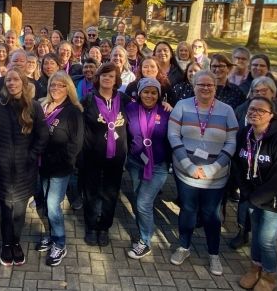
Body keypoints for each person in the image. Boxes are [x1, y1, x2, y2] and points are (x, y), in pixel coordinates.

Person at [167, 70, 238, 276]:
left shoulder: (227, 111)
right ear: (194, 86)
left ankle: (213, 254)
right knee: (188, 210)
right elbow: (173, 135)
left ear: (215, 88)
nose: (205, 88)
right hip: (185, 171)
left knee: (211, 214)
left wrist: (213, 168)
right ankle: (184, 247)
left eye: (210, 85)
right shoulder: (182, 106)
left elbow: (232, 141)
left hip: (215, 175)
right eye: (201, 85)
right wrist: (188, 165)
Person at [0, 68, 49, 266]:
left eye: (16, 80)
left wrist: (31, 155)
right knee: (6, 208)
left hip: (24, 168)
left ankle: (16, 242)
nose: (11, 83)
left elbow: (43, 135)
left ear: (23, 83)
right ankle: (5, 244)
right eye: (8, 80)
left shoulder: (34, 106)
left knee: (19, 210)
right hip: (2, 168)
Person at [232, 97, 277, 291]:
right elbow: (238, 164)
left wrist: (256, 198)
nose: (255, 113)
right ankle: (255, 268)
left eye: (261, 110)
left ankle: (269, 275)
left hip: (276, 199)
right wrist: (246, 191)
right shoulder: (245, 133)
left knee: (267, 240)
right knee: (256, 235)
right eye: (252, 109)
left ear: (271, 115)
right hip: (253, 196)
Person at [36, 71, 84, 266]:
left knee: (53, 206)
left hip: (60, 167)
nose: (56, 88)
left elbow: (76, 143)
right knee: (45, 201)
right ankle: (50, 233)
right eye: (53, 85)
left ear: (68, 88)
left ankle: (60, 242)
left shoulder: (73, 111)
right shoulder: (43, 105)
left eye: (61, 85)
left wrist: (66, 161)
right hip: (42, 164)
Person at [81, 62, 130, 247]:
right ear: (98, 78)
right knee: (91, 192)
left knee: (110, 193)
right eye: (104, 75)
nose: (107, 78)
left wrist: (165, 104)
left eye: (111, 76)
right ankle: (91, 227)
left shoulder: (124, 100)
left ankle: (104, 227)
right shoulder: (88, 100)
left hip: (116, 157)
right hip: (92, 156)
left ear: (116, 79)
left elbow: (143, 108)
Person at [124, 78, 171, 259]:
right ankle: (144, 230)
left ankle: (145, 241)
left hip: (158, 166)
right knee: (139, 199)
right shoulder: (131, 109)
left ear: (159, 95)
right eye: (146, 92)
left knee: (144, 203)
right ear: (139, 93)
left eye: (153, 92)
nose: (149, 95)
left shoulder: (166, 112)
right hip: (136, 162)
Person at [239, 54, 277, 119]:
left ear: (268, 69)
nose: (258, 68)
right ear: (249, 68)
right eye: (255, 65)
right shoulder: (242, 87)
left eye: (262, 66)